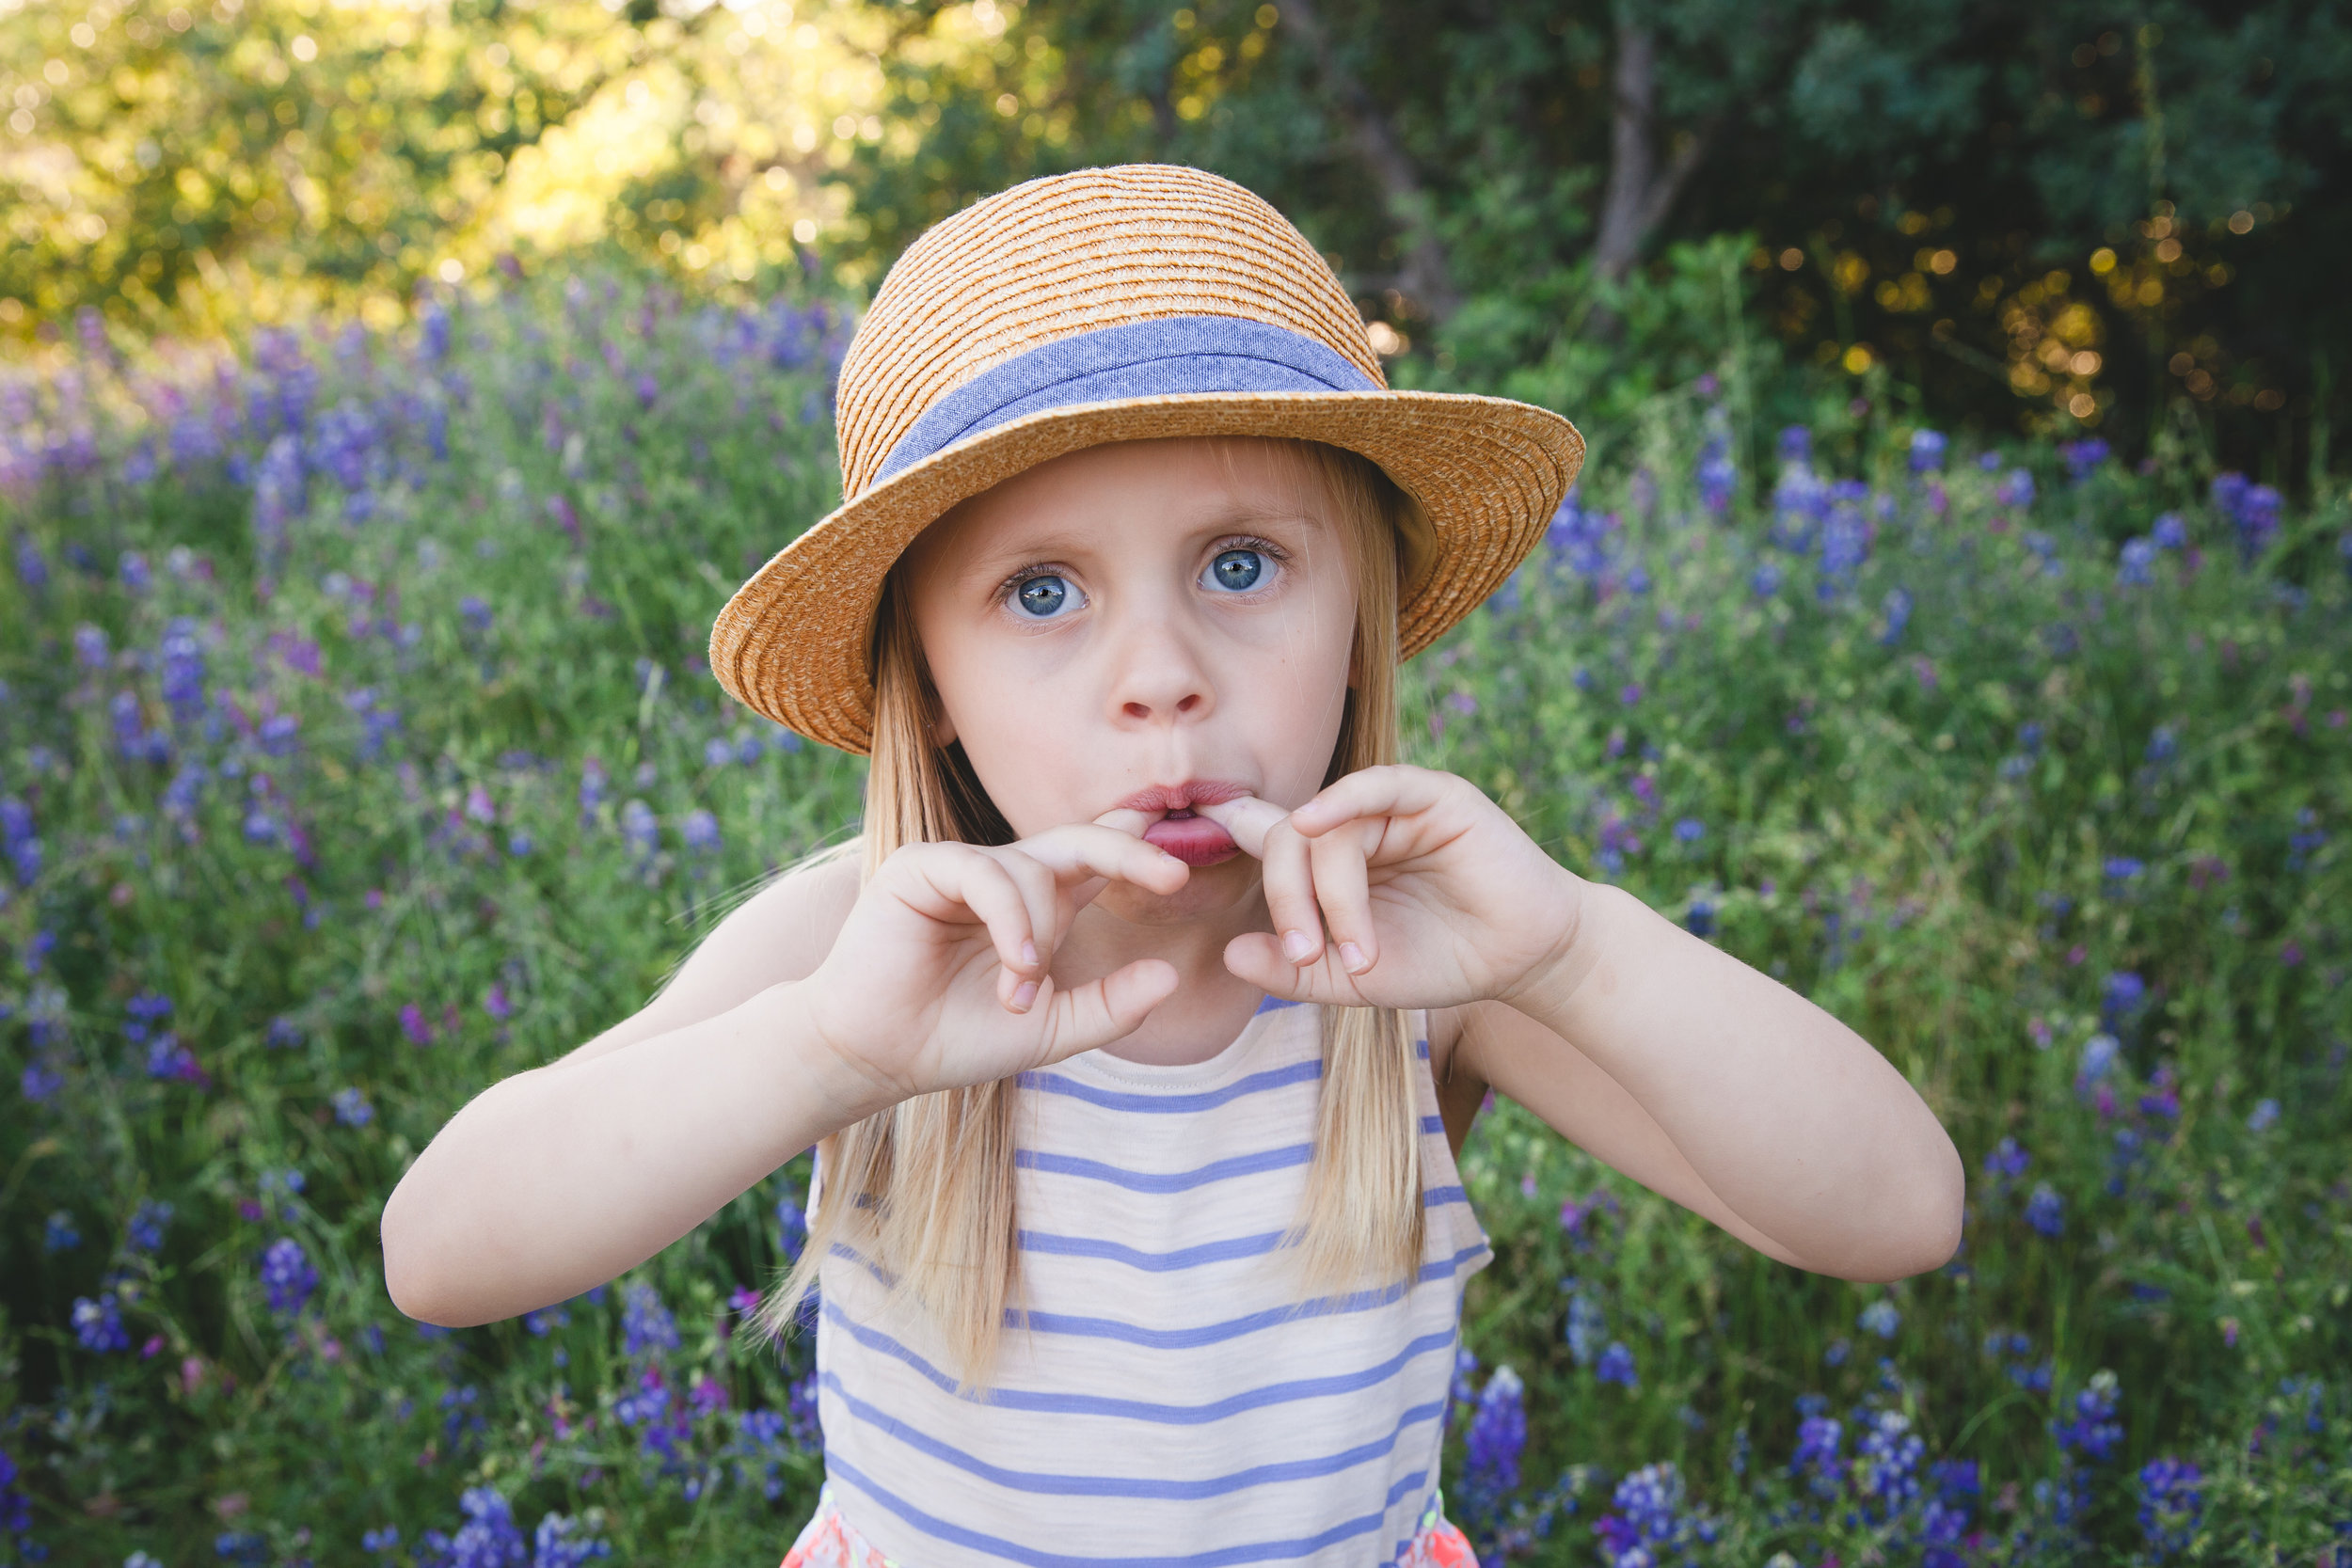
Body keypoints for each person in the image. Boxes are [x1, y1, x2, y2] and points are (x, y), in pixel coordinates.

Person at [381, 164, 1964, 1568]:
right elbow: (442, 1255)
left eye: (1242, 564)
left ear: (1359, 628)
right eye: (1043, 593)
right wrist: (820, 1052)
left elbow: (1894, 1213)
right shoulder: (855, 950)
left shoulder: (1427, 970)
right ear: (926, 685)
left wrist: (1578, 952)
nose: (1163, 673)